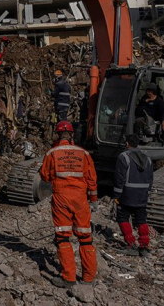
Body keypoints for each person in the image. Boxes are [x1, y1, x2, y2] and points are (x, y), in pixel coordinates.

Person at [40, 120, 98, 287]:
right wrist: (93, 200)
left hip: (61, 199)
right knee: (85, 237)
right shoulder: (84, 153)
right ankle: (88, 278)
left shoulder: (52, 153)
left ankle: (69, 278)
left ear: (58, 136)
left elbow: (45, 176)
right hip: (80, 199)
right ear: (72, 135)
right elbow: (92, 179)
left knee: (63, 237)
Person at [113, 134, 154, 257]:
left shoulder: (124, 157)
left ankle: (131, 244)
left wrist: (116, 196)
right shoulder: (148, 159)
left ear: (127, 144)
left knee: (122, 217)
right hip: (142, 195)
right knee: (141, 219)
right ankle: (144, 246)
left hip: (127, 194)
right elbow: (150, 179)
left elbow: (119, 178)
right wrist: (147, 192)